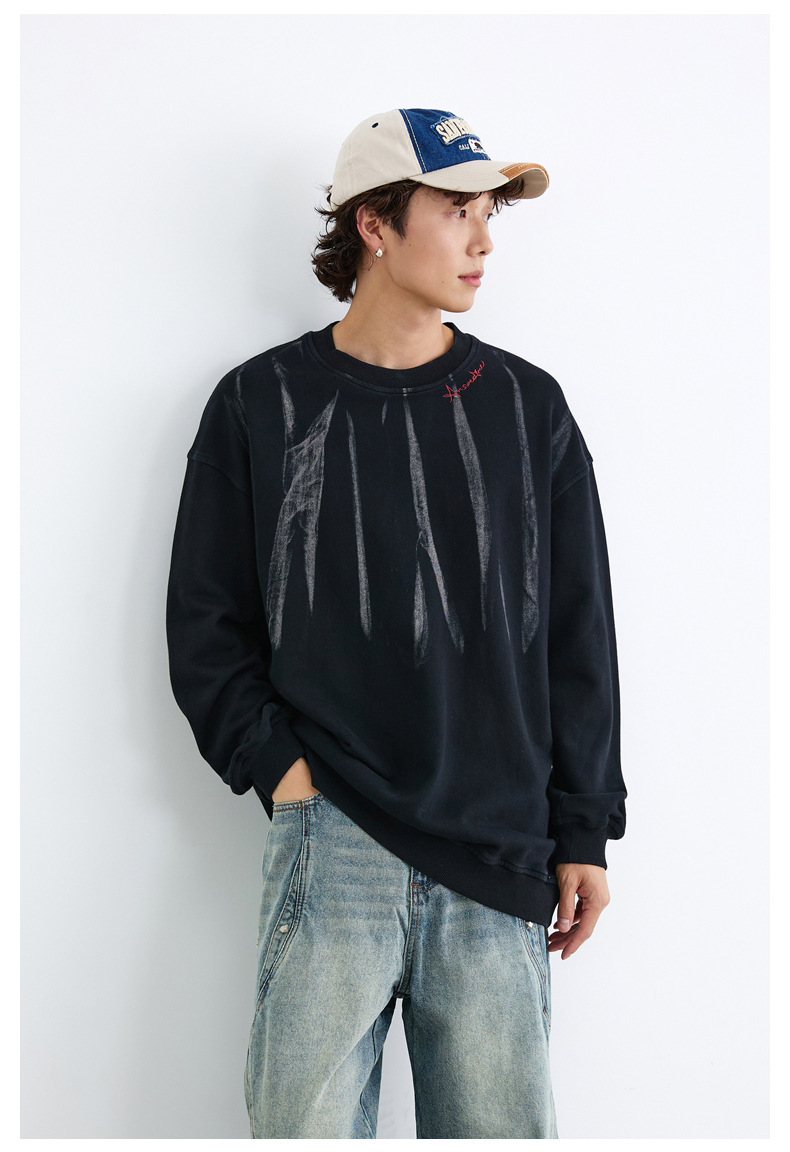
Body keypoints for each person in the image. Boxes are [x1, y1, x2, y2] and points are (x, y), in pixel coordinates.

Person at [166, 107, 627, 1139]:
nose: (483, 241)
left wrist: (584, 828)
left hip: (500, 855)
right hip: (331, 843)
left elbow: (580, 634)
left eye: (490, 214)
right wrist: (285, 775)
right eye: (457, 210)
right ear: (374, 223)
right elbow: (205, 622)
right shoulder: (259, 403)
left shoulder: (528, 410)